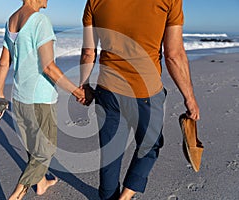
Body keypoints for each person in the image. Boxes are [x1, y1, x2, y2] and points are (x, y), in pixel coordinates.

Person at [79, 0, 200, 199]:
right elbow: (173, 54)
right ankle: (126, 196)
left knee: (110, 154)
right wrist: (189, 97)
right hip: (146, 93)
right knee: (149, 146)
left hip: (108, 91)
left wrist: (84, 85)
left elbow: (88, 52)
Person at [0, 0, 85, 199]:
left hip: (19, 96)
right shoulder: (40, 21)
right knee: (46, 149)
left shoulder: (11, 20)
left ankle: (41, 183)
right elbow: (48, 67)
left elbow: (4, 62)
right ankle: (17, 195)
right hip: (40, 99)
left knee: (33, 146)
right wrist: (76, 92)